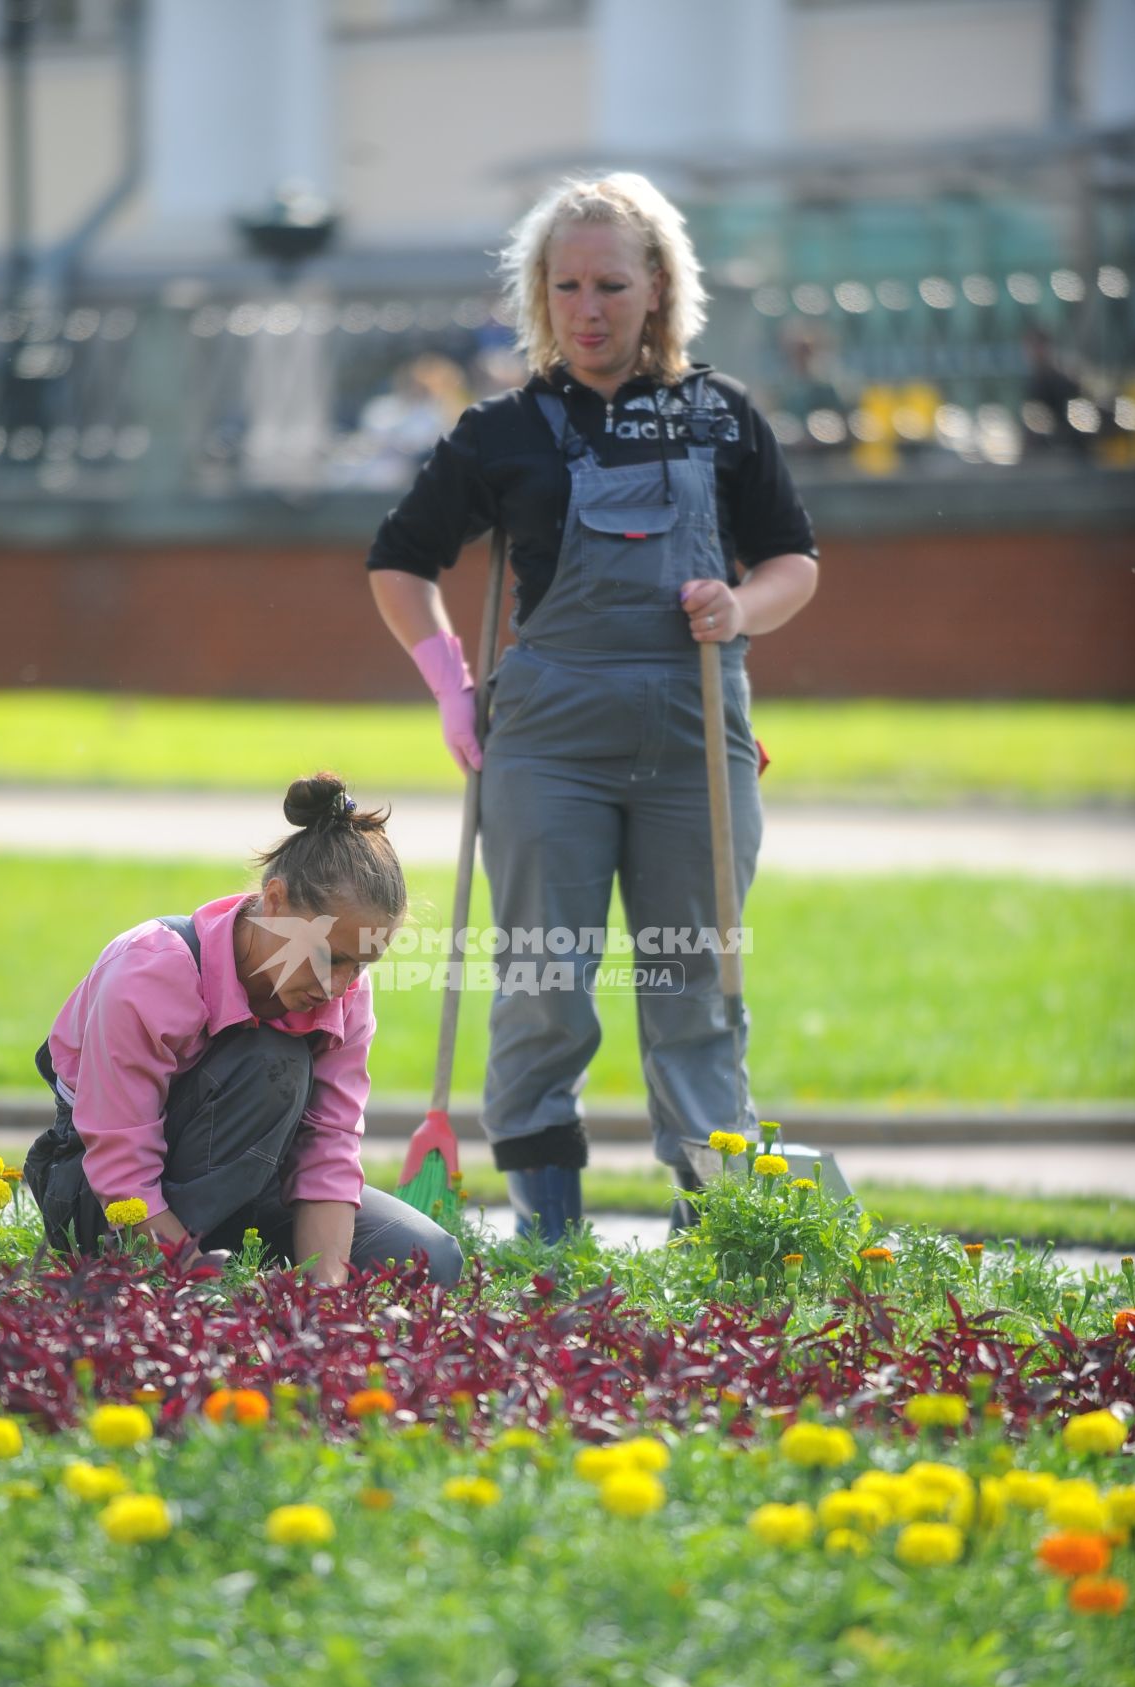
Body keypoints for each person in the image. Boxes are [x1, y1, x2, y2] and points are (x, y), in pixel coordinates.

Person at [367, 173, 818, 1242]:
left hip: (694, 739)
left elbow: (793, 562)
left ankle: (714, 1230)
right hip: (545, 748)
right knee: (542, 985)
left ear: (657, 284)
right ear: (539, 293)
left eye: (609, 283)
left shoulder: (721, 417)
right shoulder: (502, 429)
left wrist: (739, 603)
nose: (586, 307)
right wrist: (449, 689)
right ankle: (547, 1239)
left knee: (692, 986)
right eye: (564, 285)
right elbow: (400, 564)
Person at [24, 773, 463, 1287]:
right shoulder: (151, 972)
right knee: (272, 1062)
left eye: (361, 965)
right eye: (330, 956)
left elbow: (328, 1150)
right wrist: (200, 1286)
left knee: (428, 1258)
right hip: (103, 1201)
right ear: (274, 901)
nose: (340, 985)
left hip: (254, 1189)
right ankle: (170, 1271)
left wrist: (326, 1298)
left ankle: (233, 1258)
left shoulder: (344, 994)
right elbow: (122, 1175)